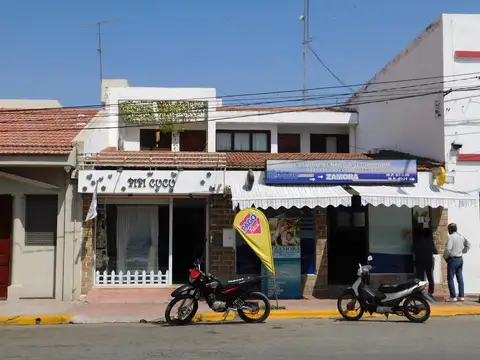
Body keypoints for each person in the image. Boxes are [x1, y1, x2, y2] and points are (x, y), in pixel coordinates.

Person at [444, 223, 471, 302]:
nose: (448, 231)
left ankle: (453, 296)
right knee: (460, 278)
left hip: (453, 259)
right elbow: (468, 245)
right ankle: (461, 296)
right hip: (460, 259)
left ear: (450, 229)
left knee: (450, 278)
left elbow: (448, 249)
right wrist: (463, 251)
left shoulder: (451, 237)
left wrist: (445, 257)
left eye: (448, 229)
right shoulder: (461, 236)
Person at [413, 227, 437, 296]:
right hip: (429, 261)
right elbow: (435, 251)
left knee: (420, 278)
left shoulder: (418, 240)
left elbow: (414, 249)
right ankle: (430, 292)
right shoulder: (430, 241)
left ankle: (419, 291)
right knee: (430, 276)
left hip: (419, 261)